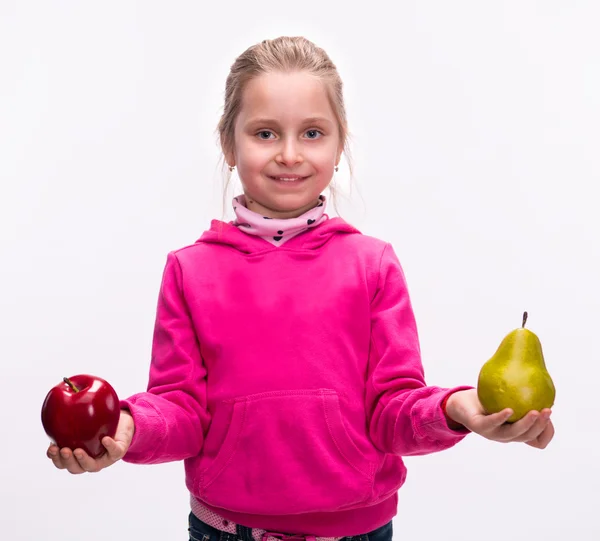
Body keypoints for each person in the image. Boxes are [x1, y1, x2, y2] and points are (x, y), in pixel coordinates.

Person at [46, 36, 555, 541]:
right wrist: (127, 427)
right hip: (227, 531)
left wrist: (455, 409)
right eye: (265, 133)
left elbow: (394, 408)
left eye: (312, 133)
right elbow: (179, 407)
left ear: (339, 144)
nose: (289, 154)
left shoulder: (372, 265)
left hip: (358, 532)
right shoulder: (189, 270)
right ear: (228, 143)